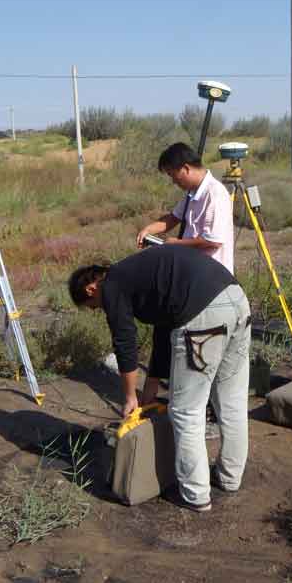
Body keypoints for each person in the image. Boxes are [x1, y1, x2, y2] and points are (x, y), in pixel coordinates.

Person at [69, 245, 251, 512]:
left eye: (93, 307)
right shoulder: (143, 274)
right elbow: (164, 334)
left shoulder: (112, 285)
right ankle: (230, 478)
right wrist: (149, 391)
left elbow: (125, 342)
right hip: (237, 300)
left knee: (186, 410)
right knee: (231, 401)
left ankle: (195, 495)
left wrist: (130, 397)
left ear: (90, 290)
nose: (100, 309)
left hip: (203, 315)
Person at [137, 143, 235, 275]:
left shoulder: (214, 193)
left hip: (212, 277)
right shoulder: (193, 193)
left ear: (186, 168)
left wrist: (177, 243)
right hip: (195, 272)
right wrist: (148, 230)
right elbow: (173, 218)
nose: (173, 181)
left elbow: (213, 241)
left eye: (172, 175)